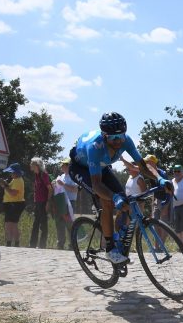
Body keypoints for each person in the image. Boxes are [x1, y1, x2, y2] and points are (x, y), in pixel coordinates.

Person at [69, 112, 165, 264]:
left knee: (125, 201)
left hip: (101, 166)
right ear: (105, 135)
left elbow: (143, 166)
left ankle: (118, 236)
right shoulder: (96, 146)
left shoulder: (125, 140)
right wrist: (114, 197)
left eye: (121, 135)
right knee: (107, 202)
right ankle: (110, 249)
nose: (118, 140)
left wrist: (160, 179)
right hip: (81, 168)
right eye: (113, 137)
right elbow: (97, 184)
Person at [53, 158, 78, 250]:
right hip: (61, 201)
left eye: (63, 164)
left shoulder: (73, 176)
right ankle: (60, 243)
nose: (61, 166)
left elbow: (75, 190)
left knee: (69, 224)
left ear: (68, 166)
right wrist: (55, 185)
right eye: (61, 164)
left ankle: (72, 244)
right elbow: (59, 188)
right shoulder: (62, 176)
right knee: (59, 222)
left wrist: (63, 184)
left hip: (70, 202)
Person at [28, 157, 52, 249]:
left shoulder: (44, 175)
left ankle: (42, 245)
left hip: (43, 202)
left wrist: (48, 203)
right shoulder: (36, 175)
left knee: (43, 224)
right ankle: (32, 244)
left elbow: (50, 189)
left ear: (36, 165)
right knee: (36, 223)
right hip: (38, 202)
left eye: (32, 164)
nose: (30, 165)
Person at [0, 163, 25, 247]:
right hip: (12, 204)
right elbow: (10, 188)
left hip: (15, 204)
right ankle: (13, 243)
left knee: (10, 224)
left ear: (16, 172)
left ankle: (11, 243)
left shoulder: (18, 180)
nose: (10, 174)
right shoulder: (15, 180)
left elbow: (13, 193)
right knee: (11, 224)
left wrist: (4, 186)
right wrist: (6, 184)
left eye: (12, 172)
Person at [170, 164, 183, 247]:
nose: (177, 173)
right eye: (175, 171)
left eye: (179, 171)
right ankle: (180, 246)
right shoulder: (172, 181)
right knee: (177, 227)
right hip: (175, 206)